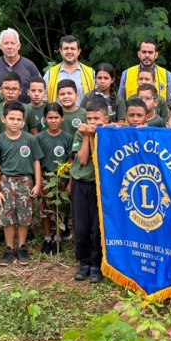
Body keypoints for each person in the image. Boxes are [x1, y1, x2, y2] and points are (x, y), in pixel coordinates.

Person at [0, 101, 43, 266]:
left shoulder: (30, 139)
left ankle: (21, 246)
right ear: (3, 119)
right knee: (7, 216)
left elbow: (36, 162)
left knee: (24, 215)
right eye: (11, 118)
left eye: (19, 119)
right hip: (6, 182)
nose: (15, 122)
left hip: (25, 182)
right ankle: (9, 248)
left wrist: (37, 183)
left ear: (23, 121)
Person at [71, 97, 110, 283]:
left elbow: (97, 160)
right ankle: (84, 261)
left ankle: (96, 263)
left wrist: (94, 136)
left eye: (96, 118)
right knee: (81, 225)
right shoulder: (80, 133)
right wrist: (87, 136)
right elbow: (83, 159)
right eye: (89, 118)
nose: (92, 122)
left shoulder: (108, 134)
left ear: (106, 119)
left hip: (98, 186)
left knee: (97, 226)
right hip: (80, 184)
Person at [36, 103, 73, 255]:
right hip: (45, 177)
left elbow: (70, 160)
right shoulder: (39, 137)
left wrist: (70, 182)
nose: (53, 121)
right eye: (50, 118)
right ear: (45, 119)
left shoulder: (67, 137)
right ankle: (47, 238)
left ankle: (58, 237)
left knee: (61, 208)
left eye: (56, 117)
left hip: (62, 178)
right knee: (45, 208)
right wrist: (38, 181)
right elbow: (37, 161)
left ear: (62, 118)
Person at [0, 73, 39, 145]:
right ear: (0, 89)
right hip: (2, 148)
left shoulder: (28, 109)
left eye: (14, 89)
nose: (10, 92)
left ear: (20, 91)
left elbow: (34, 132)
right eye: (7, 88)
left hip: (23, 149)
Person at [0, 29, 40, 104]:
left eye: (12, 43)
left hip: (25, 109)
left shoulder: (30, 66)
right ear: (0, 46)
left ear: (19, 46)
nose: (9, 47)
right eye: (6, 43)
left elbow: (40, 89)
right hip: (0, 109)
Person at [44, 35, 95, 105]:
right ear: (60, 51)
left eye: (72, 49)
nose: (69, 51)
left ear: (79, 51)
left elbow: (98, 100)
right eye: (66, 48)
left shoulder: (90, 73)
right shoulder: (50, 74)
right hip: (57, 112)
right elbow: (43, 101)